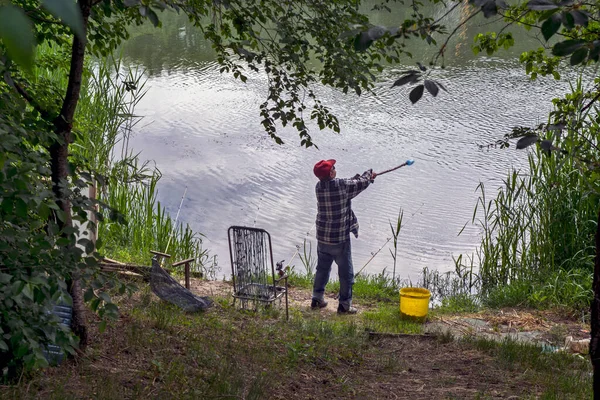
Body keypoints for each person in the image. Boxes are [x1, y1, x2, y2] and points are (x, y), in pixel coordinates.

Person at [311, 159, 376, 314]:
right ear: (331, 173)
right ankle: (344, 306)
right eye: (333, 167)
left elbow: (350, 184)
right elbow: (360, 184)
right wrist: (369, 174)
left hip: (322, 237)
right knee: (346, 273)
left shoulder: (319, 187)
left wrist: (358, 178)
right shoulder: (341, 185)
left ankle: (316, 298)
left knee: (322, 269)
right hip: (339, 239)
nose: (335, 168)